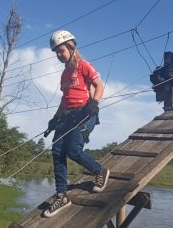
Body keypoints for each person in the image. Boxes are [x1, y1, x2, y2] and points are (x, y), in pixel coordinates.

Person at [43, 30, 110, 218]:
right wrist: (54, 119)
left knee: (73, 150)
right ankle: (62, 195)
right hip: (67, 116)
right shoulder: (64, 75)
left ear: (71, 47)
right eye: (56, 52)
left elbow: (99, 85)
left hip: (84, 114)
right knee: (57, 152)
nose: (58, 54)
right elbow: (65, 99)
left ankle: (100, 171)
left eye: (60, 50)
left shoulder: (83, 65)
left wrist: (94, 104)